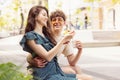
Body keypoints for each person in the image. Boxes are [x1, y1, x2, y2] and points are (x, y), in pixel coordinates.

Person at [20, 5, 91, 80]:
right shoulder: (45, 35)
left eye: (59, 20)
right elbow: (33, 54)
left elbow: (72, 62)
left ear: (64, 23)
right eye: (54, 20)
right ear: (50, 23)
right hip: (45, 71)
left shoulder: (65, 37)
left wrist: (80, 50)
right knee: (72, 71)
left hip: (53, 68)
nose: (56, 22)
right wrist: (31, 61)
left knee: (76, 68)